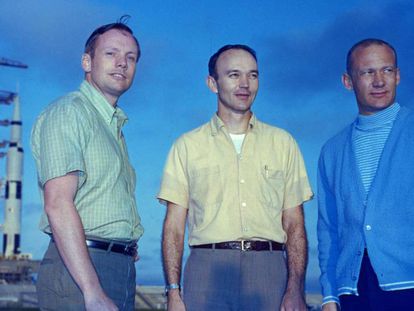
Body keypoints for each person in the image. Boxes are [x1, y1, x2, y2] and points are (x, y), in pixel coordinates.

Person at [158, 44, 313, 311]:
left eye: (253, 75)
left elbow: (295, 224)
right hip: (206, 270)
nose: (245, 84)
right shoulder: (186, 146)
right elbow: (173, 227)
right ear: (212, 83)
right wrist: (173, 291)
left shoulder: (283, 143)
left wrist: (295, 288)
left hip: (269, 271)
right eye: (233, 75)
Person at [31, 17, 144, 311]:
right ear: (86, 62)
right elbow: (57, 203)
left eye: (130, 57)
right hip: (81, 273)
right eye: (111, 53)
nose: (122, 63)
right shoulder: (69, 113)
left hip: (116, 267)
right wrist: (92, 290)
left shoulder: (111, 125)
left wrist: (122, 244)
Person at [317, 38, 414, 311]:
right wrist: (329, 295)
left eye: (387, 70)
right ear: (348, 81)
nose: (379, 80)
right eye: (368, 72)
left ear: (398, 76)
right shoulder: (332, 151)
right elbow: (328, 229)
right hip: (354, 292)